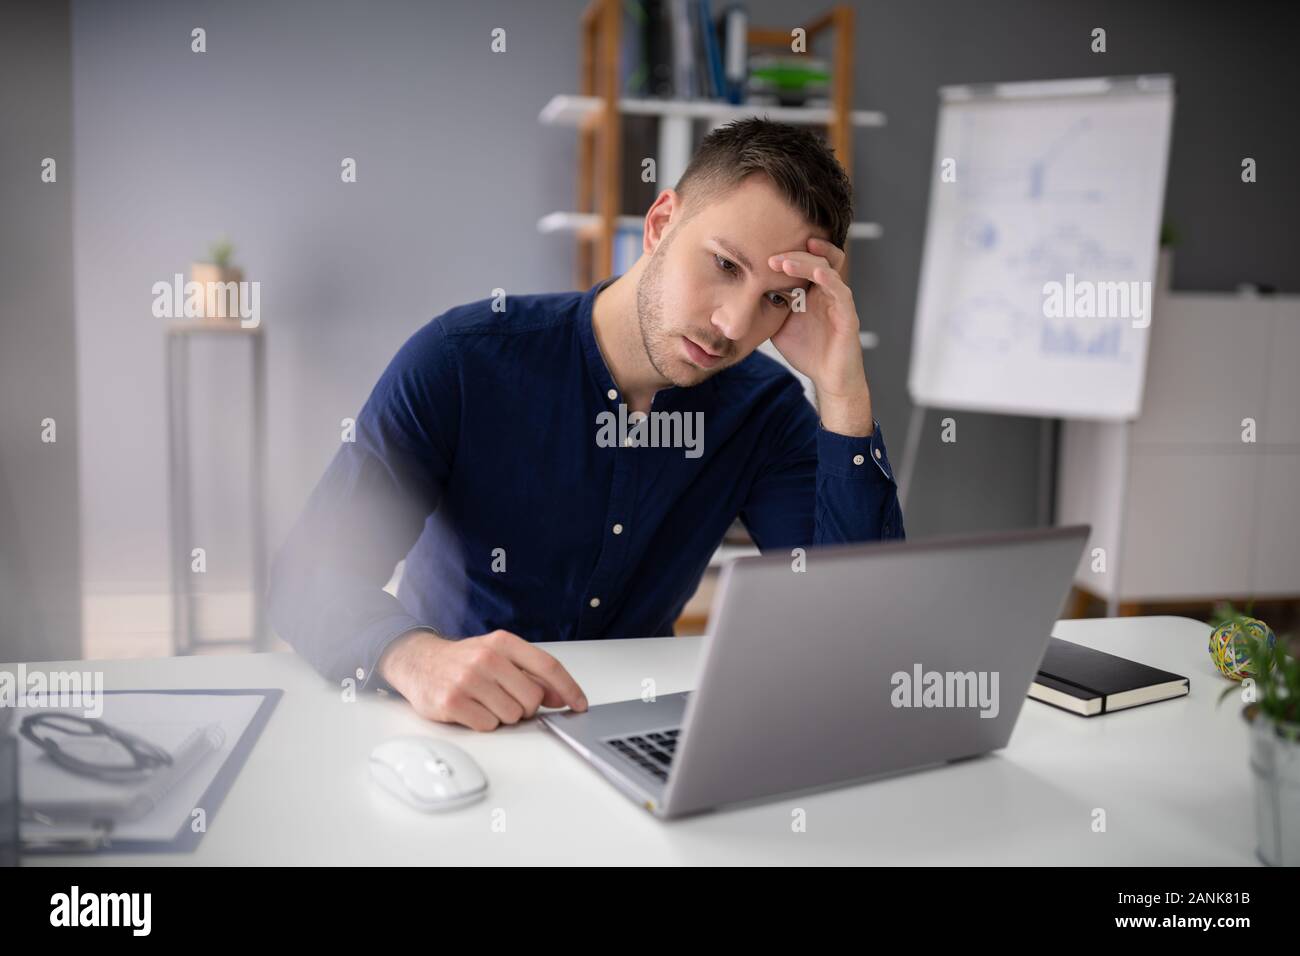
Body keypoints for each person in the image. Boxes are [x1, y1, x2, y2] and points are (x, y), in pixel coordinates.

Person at [268, 118, 905, 731]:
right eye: (725, 266)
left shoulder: (764, 410)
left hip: (634, 728)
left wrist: (842, 392)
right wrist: (412, 655)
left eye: (775, 298)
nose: (736, 326)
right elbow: (306, 577)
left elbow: (850, 631)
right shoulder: (461, 360)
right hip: (451, 724)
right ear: (660, 225)